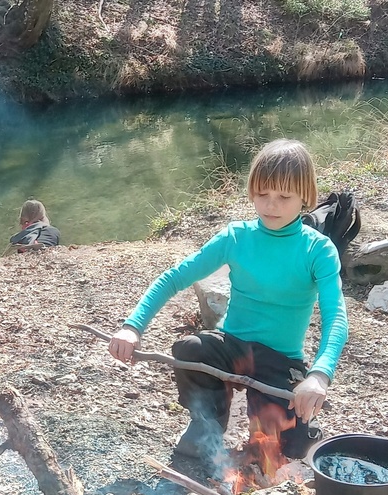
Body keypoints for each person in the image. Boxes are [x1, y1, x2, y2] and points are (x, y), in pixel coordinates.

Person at [106, 138, 348, 469]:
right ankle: (208, 424)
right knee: (191, 349)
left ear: (305, 196)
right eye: (262, 194)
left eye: (283, 197)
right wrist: (132, 327)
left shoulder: (317, 250)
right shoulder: (236, 238)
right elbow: (174, 277)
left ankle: (286, 435)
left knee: (277, 451)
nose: (271, 206)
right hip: (230, 347)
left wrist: (319, 375)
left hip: (279, 360)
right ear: (251, 192)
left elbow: (336, 317)